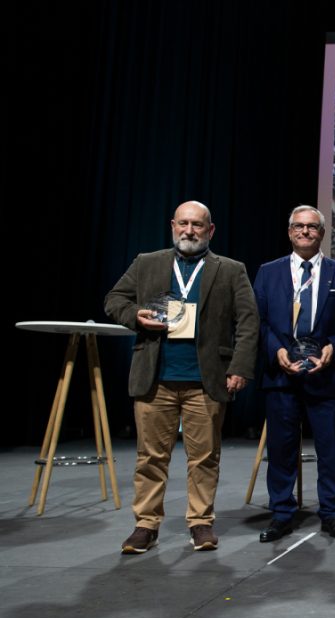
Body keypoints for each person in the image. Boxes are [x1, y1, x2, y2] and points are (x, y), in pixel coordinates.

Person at [104, 200, 258, 553]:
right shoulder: (147, 263)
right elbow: (114, 299)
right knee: (150, 456)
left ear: (210, 230)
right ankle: (145, 524)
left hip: (207, 379)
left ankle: (201, 522)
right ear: (173, 225)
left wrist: (239, 367)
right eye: (184, 224)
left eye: (198, 225)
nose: (190, 231)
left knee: (204, 456)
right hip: (155, 375)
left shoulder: (231, 270)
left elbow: (248, 322)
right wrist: (135, 317)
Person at [252, 205, 335, 543]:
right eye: (298, 227)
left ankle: (330, 513)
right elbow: (258, 322)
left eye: (312, 227)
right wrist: (277, 351)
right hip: (282, 376)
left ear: (322, 233)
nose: (305, 232)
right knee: (281, 450)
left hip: (326, 375)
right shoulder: (267, 272)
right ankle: (282, 513)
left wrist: (334, 347)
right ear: (289, 232)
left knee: (329, 451)